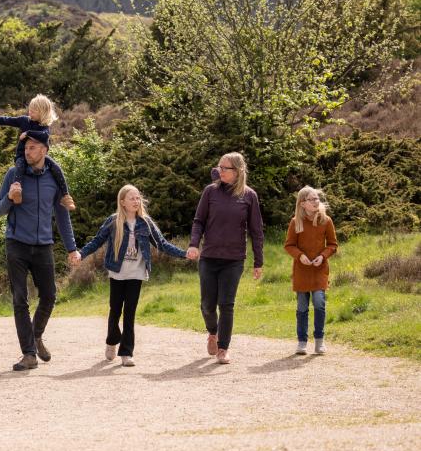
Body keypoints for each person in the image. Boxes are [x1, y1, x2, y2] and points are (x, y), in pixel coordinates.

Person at [71, 184, 192, 366]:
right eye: (132, 198)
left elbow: (162, 243)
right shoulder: (113, 221)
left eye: (138, 198)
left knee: (130, 313)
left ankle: (126, 352)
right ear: (123, 202)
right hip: (117, 272)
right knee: (115, 310)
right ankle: (112, 340)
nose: (136, 201)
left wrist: (184, 253)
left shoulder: (145, 222)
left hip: (136, 272)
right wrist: (81, 253)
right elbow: (97, 241)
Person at [0, 131, 80, 371]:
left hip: (44, 245)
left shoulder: (54, 177)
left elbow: (63, 217)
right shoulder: (14, 174)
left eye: (32, 148)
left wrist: (72, 248)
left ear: (44, 150)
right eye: (25, 148)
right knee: (20, 298)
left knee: (50, 295)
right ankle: (29, 354)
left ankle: (36, 335)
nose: (27, 152)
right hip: (16, 244)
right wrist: (10, 198)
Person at [188, 152, 265, 365]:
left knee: (227, 304)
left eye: (225, 168)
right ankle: (212, 332)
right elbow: (198, 221)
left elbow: (257, 231)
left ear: (238, 171)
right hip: (209, 257)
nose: (219, 171)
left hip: (234, 260)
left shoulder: (249, 196)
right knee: (207, 305)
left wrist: (259, 261)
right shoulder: (210, 192)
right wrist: (194, 244)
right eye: (219, 167)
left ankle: (223, 348)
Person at [0, 94, 76, 211]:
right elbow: (7, 120)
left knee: (56, 168)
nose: (30, 112)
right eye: (30, 109)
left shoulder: (44, 127)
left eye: (34, 110)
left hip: (40, 158)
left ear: (43, 112)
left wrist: (28, 133)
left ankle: (66, 196)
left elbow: (44, 136)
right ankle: (17, 191)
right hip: (22, 155)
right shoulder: (24, 120)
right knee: (19, 167)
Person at [284, 186, 337, 356]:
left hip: (320, 270)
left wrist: (323, 256)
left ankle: (320, 341)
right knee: (302, 307)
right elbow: (289, 245)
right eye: (312, 199)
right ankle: (302, 342)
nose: (316, 202)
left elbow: (332, 245)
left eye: (317, 199)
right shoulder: (295, 222)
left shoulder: (326, 220)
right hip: (301, 271)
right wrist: (300, 256)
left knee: (319, 302)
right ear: (302, 204)